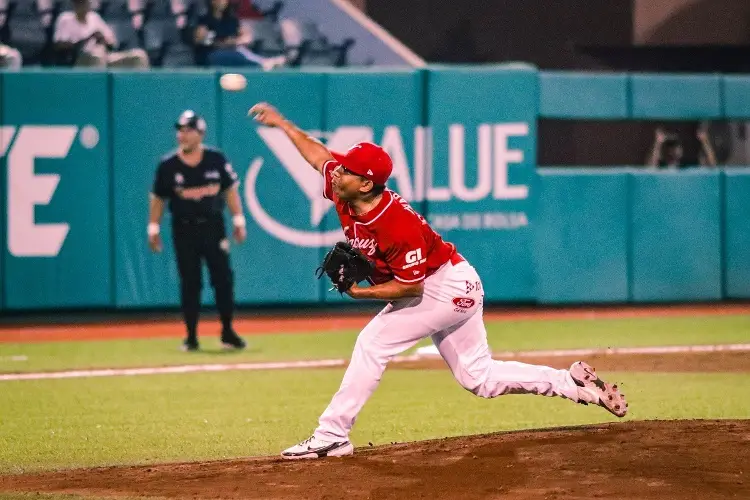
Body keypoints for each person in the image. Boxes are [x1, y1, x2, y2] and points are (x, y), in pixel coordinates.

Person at [249, 102, 629, 460]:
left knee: (372, 343)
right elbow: (317, 154)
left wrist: (358, 292)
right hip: (448, 280)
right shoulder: (344, 189)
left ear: (366, 184)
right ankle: (572, 383)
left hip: (443, 287)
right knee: (479, 379)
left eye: (346, 169)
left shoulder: (396, 225)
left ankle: (331, 436)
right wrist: (283, 125)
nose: (336, 171)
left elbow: (410, 288)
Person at [149, 110, 247, 352]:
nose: (182, 135)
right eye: (180, 130)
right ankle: (191, 336)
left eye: (188, 130)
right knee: (190, 282)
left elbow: (230, 189)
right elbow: (158, 197)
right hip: (184, 229)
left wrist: (238, 219)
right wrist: (153, 227)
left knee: (223, 280)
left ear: (200, 133)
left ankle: (227, 331)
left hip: (213, 226)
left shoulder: (215, 159)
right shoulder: (168, 165)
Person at [53, 0, 149, 68]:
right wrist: (89, 38)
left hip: (105, 57)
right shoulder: (65, 19)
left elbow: (112, 43)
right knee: (96, 56)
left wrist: (102, 39)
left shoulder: (94, 17)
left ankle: (142, 93)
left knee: (139, 56)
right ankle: (97, 94)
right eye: (79, 2)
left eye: (85, 2)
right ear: (74, 3)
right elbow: (60, 46)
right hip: (79, 60)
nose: (82, 4)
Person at [194, 0, 284, 70]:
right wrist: (228, 42)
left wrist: (243, 38)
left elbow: (240, 36)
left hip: (234, 50)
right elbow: (205, 42)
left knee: (240, 51)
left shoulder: (231, 20)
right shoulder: (204, 21)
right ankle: (262, 64)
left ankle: (264, 62)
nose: (222, 1)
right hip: (211, 54)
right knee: (231, 55)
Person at [647, 125, 717, 168]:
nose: (673, 149)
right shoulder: (663, 165)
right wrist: (658, 143)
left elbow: (712, 167)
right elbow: (650, 168)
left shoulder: (688, 164)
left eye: (677, 145)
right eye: (670, 146)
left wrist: (705, 141)